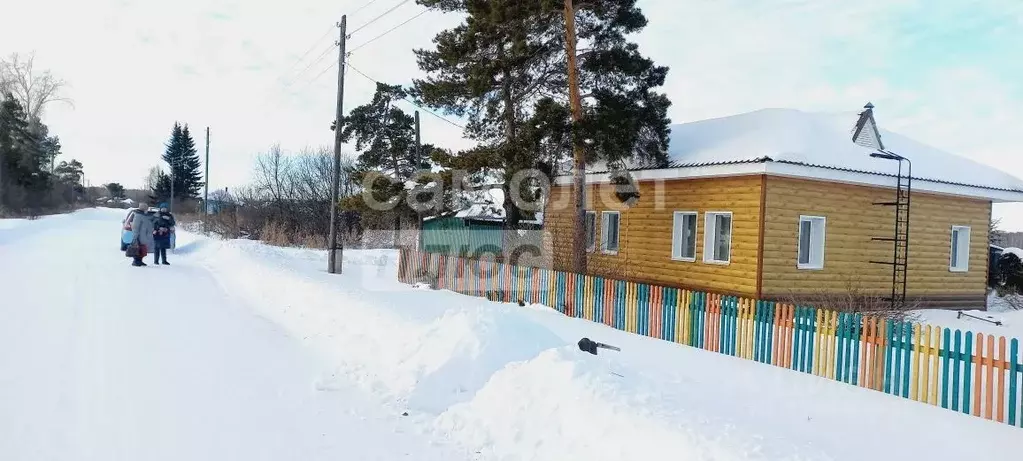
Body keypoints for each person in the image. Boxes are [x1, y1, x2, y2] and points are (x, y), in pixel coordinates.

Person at [129, 203, 156, 267]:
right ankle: (136, 261)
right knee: (137, 249)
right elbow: (135, 227)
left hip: (144, 236)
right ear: (143, 208)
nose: (147, 209)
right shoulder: (138, 215)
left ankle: (140, 261)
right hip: (139, 236)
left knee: (142, 249)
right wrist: (135, 237)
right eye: (146, 208)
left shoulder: (143, 215)